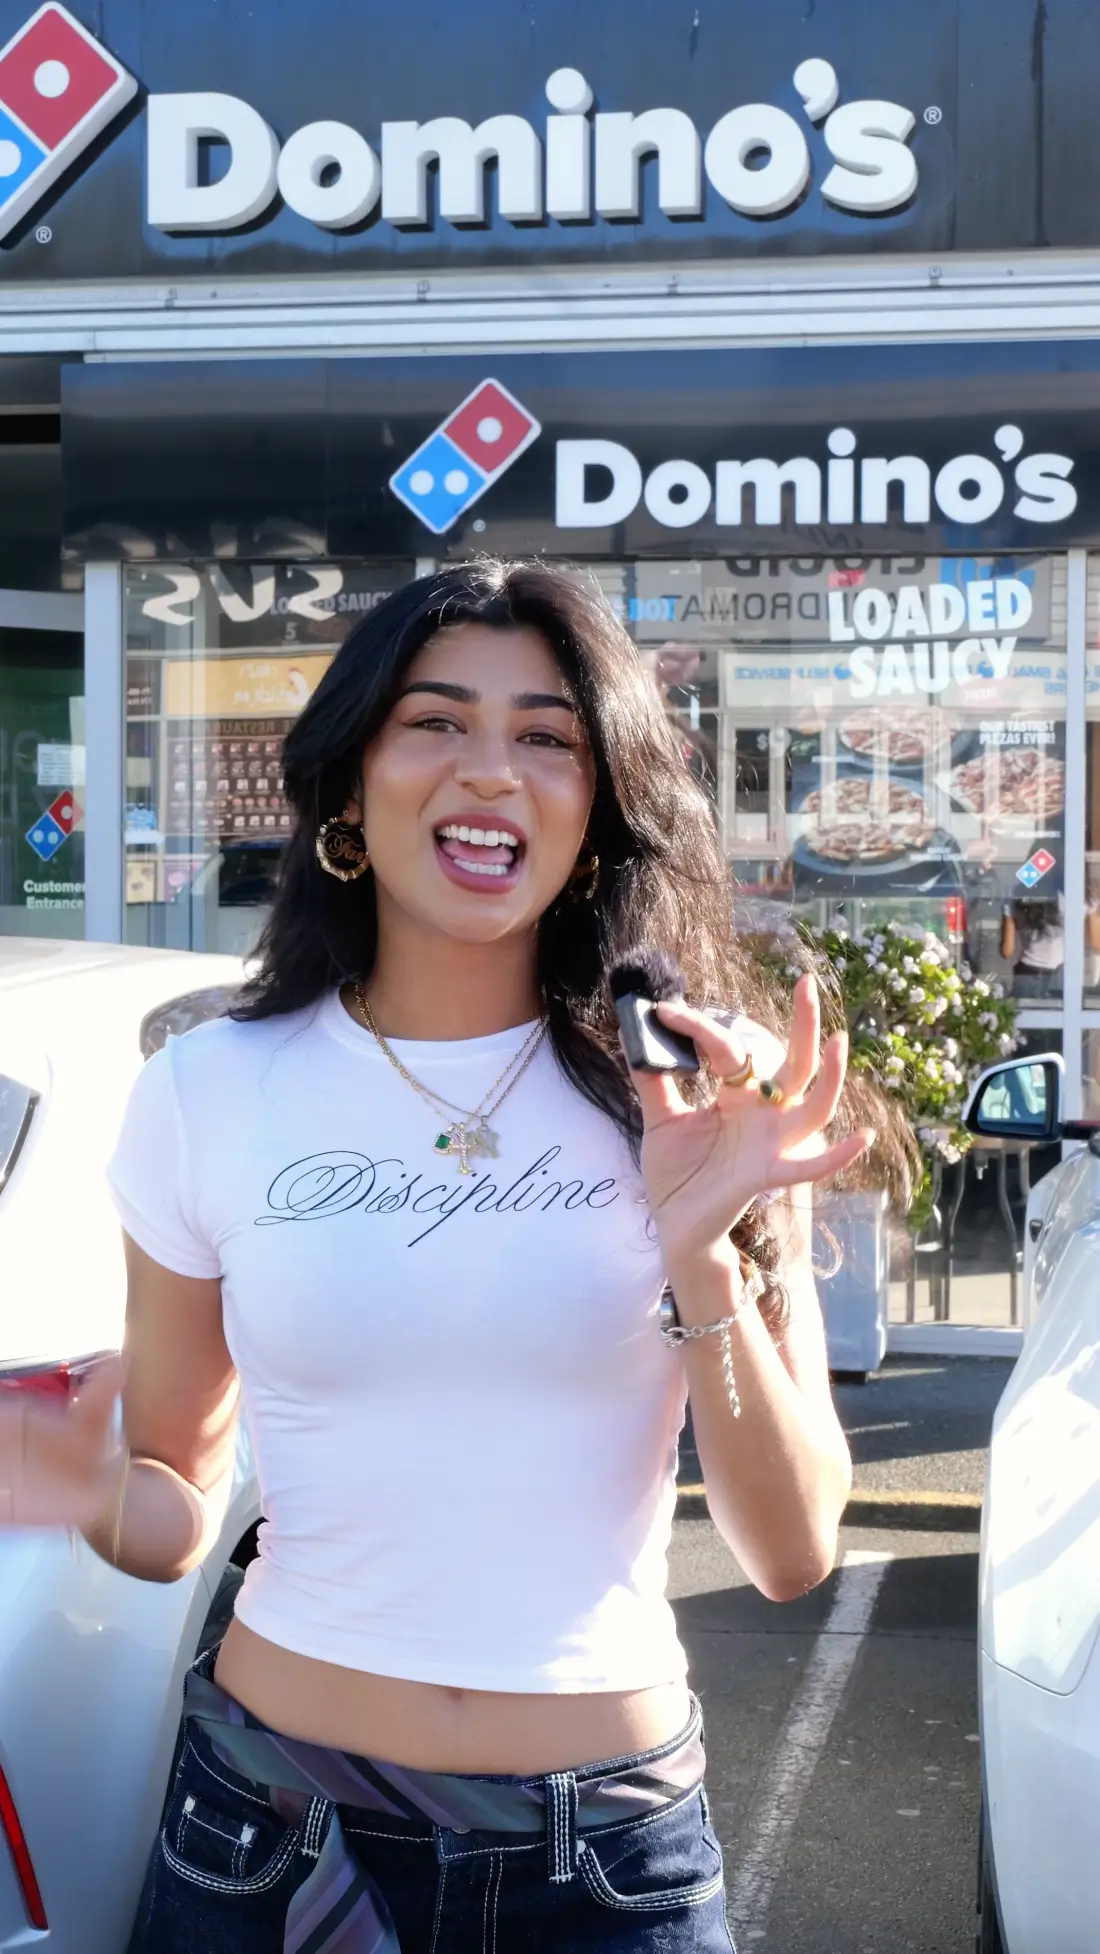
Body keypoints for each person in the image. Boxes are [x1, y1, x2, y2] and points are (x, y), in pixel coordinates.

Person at [0, 560, 909, 1953]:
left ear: (597, 804)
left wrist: (701, 1252)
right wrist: (71, 1482)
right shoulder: (212, 1092)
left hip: (609, 1865)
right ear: (351, 784)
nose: (493, 770)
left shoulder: (698, 1098)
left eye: (547, 735)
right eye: (436, 721)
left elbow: (790, 1550)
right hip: (269, 1837)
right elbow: (176, 1487)